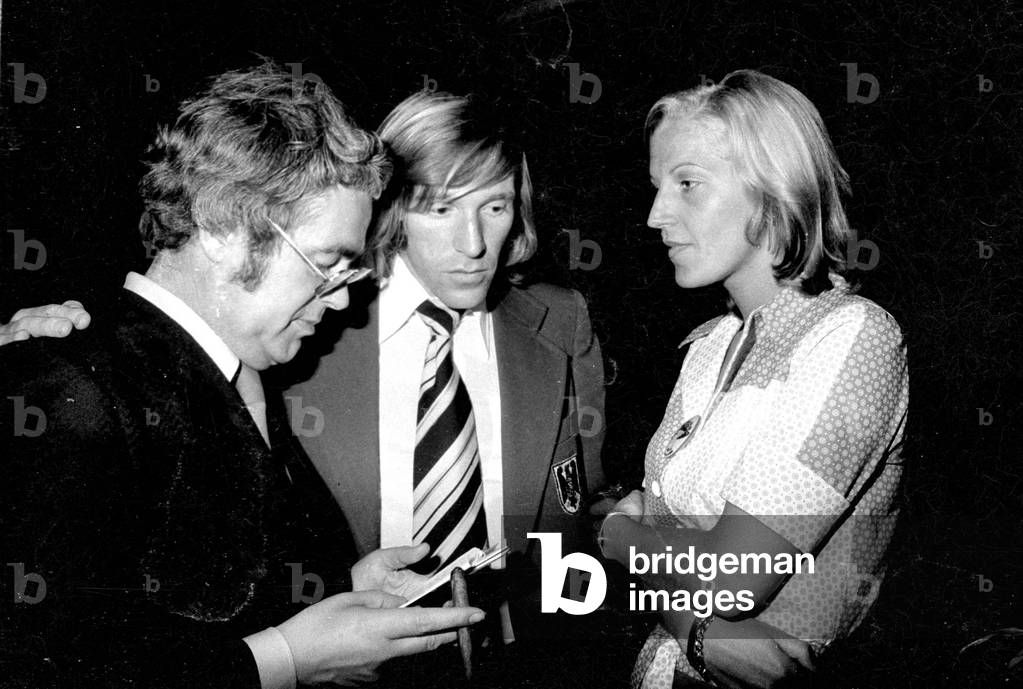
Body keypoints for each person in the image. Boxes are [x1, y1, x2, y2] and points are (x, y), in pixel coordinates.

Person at [0, 62, 483, 689]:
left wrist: (339, 594)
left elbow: (188, 605)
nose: (339, 300)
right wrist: (287, 657)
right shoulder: (71, 390)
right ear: (225, 229)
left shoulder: (237, 373)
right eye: (327, 263)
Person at [598, 70, 909, 688]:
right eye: (658, 187)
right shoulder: (711, 345)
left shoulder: (854, 339)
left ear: (774, 187)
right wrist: (694, 622)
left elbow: (732, 576)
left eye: (687, 184)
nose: (657, 214)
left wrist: (620, 535)